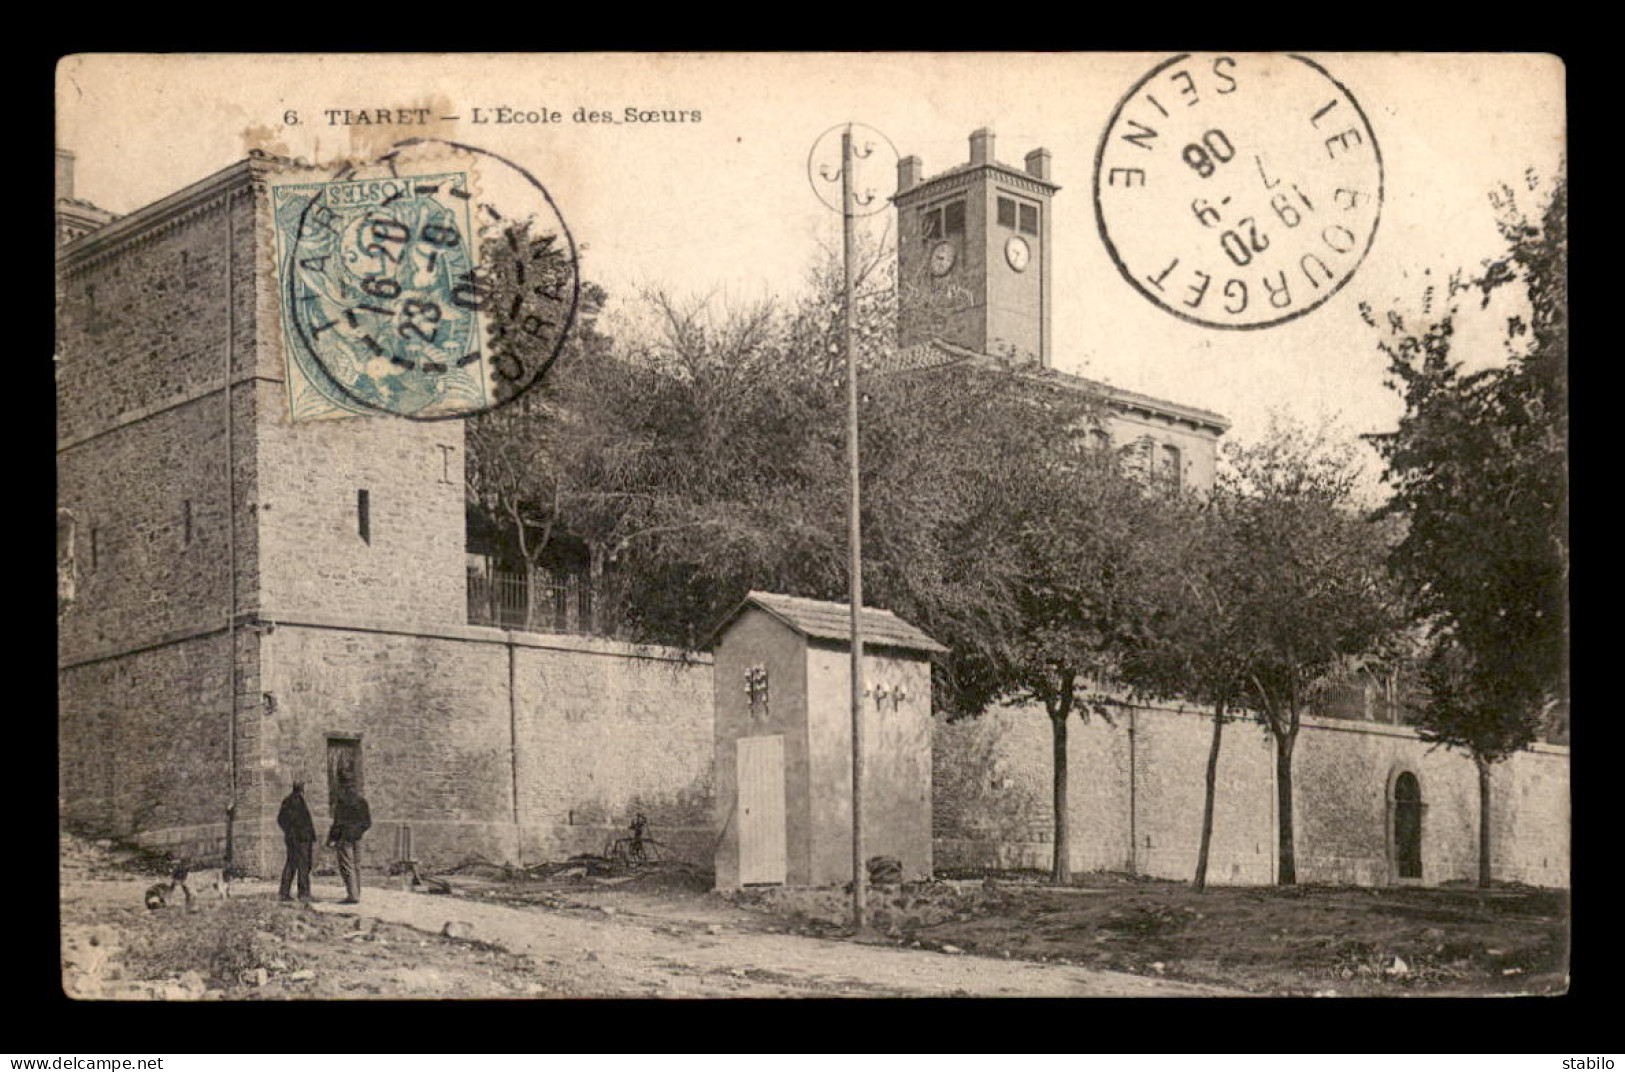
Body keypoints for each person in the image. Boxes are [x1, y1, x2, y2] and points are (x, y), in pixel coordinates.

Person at [327, 779, 372, 905]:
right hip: (358, 838)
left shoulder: (342, 804)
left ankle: (353, 895)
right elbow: (367, 823)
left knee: (347, 866)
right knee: (357, 865)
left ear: (344, 789)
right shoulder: (362, 802)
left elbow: (337, 824)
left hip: (345, 837)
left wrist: (332, 839)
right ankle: (357, 892)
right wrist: (359, 832)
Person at [277, 780, 316, 902]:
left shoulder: (288, 800)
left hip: (294, 839)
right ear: (301, 788)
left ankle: (284, 892)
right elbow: (301, 822)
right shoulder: (297, 801)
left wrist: (288, 832)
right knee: (303, 866)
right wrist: (296, 833)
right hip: (301, 839)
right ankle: (304, 894)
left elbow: (281, 819)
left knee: (291, 864)